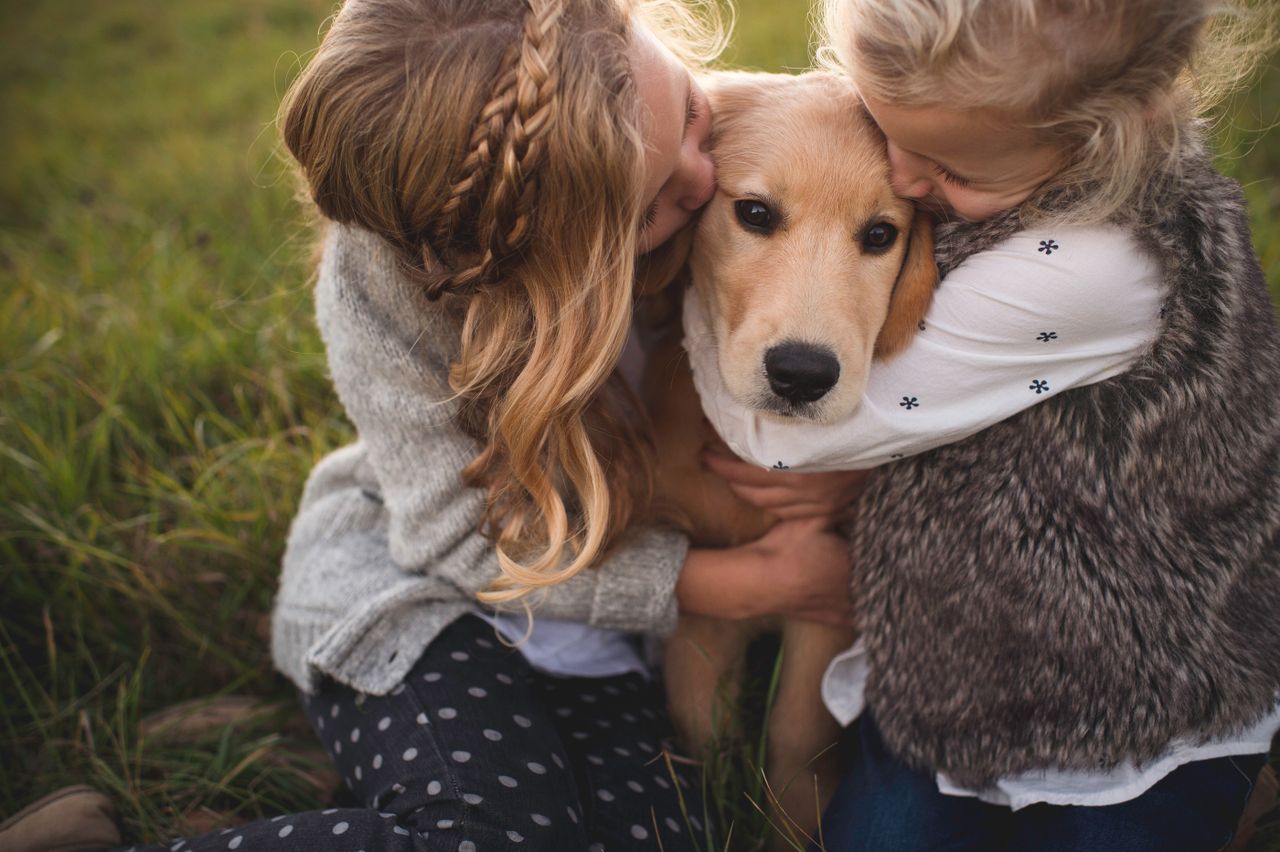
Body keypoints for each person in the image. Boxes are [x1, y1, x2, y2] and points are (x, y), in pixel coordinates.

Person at [0, 1, 868, 851]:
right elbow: (459, 545)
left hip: (605, 646)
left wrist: (851, 453)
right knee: (492, 834)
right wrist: (751, 584)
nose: (705, 175)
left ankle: (314, 757)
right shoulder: (390, 287)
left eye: (688, 106)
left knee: (666, 833)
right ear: (512, 252)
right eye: (643, 215)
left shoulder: (697, 138)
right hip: (430, 603)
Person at [685, 0, 1280, 848]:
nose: (906, 176)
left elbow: (793, 438)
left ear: (1099, 140)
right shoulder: (996, 147)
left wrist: (704, 305)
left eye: (948, 165)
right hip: (947, 659)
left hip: (1142, 694)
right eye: (887, 129)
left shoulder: (1098, 269)